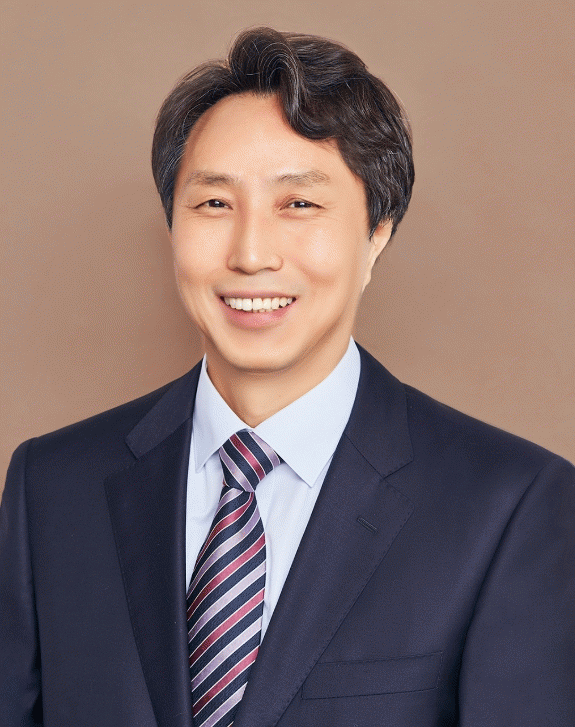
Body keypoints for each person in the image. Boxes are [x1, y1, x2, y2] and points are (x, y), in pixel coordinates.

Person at [1, 26, 573, 727]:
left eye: (298, 204)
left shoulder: (509, 506)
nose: (250, 253)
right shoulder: (51, 487)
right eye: (214, 203)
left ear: (377, 233)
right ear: (172, 223)